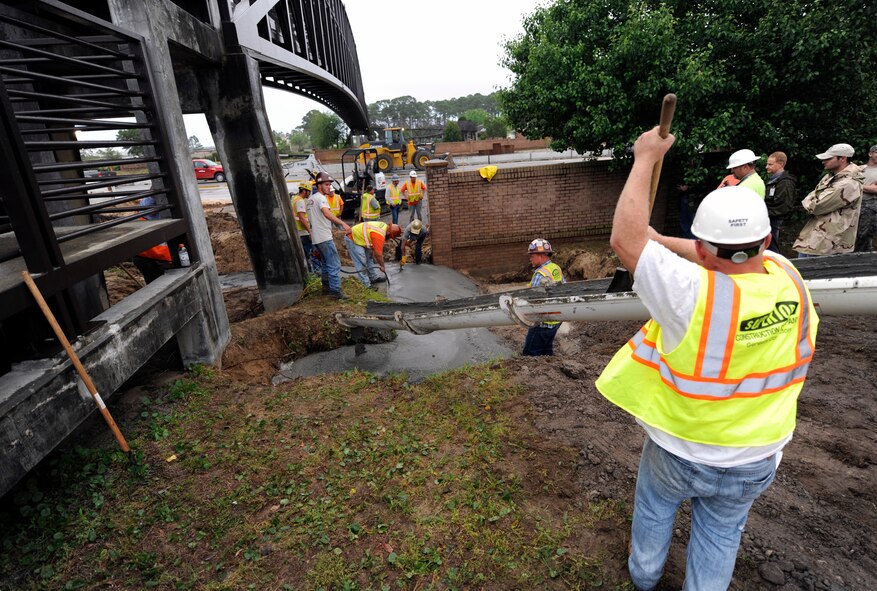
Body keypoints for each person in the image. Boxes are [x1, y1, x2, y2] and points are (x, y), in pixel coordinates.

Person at [595, 126, 819, 591]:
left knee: (656, 511)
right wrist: (657, 239)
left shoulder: (691, 294)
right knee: (720, 535)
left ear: (700, 247)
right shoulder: (788, 276)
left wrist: (644, 159)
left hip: (683, 447)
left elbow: (624, 242)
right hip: (757, 453)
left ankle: (644, 577)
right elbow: (722, 253)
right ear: (765, 241)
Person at [793, 143, 864, 257]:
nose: (823, 161)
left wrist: (809, 201)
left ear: (842, 159)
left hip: (829, 242)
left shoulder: (849, 183)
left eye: (829, 158)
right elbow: (813, 196)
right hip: (815, 236)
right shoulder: (831, 177)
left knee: (815, 272)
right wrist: (810, 200)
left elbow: (816, 206)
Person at [306, 171, 351, 298]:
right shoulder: (321, 198)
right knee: (334, 264)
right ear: (319, 185)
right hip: (324, 237)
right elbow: (326, 213)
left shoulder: (310, 200)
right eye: (326, 184)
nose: (329, 187)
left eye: (329, 184)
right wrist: (343, 224)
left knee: (325, 263)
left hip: (316, 238)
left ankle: (326, 288)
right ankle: (335, 291)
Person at [521, 238, 566, 356]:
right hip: (555, 319)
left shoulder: (540, 274)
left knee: (530, 353)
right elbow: (565, 289)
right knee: (546, 350)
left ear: (541, 255)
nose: (530, 258)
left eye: (532, 255)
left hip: (541, 321)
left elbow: (533, 299)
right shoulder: (556, 268)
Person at [344, 221, 401, 288]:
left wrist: (373, 251)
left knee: (369, 258)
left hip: (361, 238)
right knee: (361, 262)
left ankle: (373, 277)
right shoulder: (379, 235)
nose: (389, 238)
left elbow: (372, 240)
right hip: (353, 238)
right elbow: (379, 255)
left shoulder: (384, 226)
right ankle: (365, 285)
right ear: (388, 232)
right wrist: (382, 266)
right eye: (391, 236)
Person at [764, 151, 797, 252]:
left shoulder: (785, 182)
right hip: (771, 219)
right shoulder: (774, 180)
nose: (766, 167)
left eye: (770, 164)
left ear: (781, 164)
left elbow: (784, 206)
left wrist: (765, 213)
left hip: (776, 220)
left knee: (772, 247)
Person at [292, 182, 320, 273]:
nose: (310, 193)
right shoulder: (300, 201)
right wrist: (310, 231)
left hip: (298, 232)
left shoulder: (294, 198)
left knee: (305, 255)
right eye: (309, 191)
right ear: (304, 191)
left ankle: (309, 273)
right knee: (311, 254)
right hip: (303, 232)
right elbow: (302, 218)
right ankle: (315, 274)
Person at [855, 144, 877, 252]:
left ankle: (863, 260)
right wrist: (867, 187)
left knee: (864, 235)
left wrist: (857, 186)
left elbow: (875, 190)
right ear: (870, 154)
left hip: (871, 206)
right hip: (854, 205)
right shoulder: (859, 169)